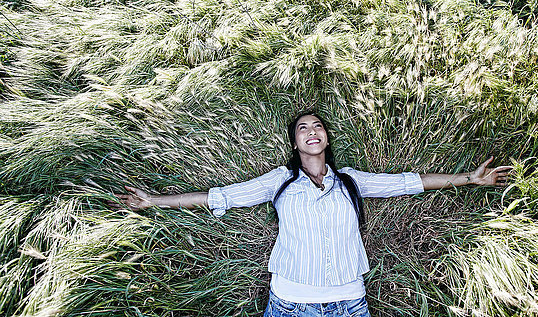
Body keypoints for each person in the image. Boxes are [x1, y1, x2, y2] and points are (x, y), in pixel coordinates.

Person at [110, 111, 512, 317]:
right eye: (303, 128)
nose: (312, 131)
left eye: (318, 125)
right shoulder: (280, 182)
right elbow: (222, 196)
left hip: (349, 304)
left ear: (326, 137)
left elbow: (408, 182)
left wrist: (469, 180)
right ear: (295, 141)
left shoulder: (351, 181)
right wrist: (153, 202)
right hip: (289, 303)